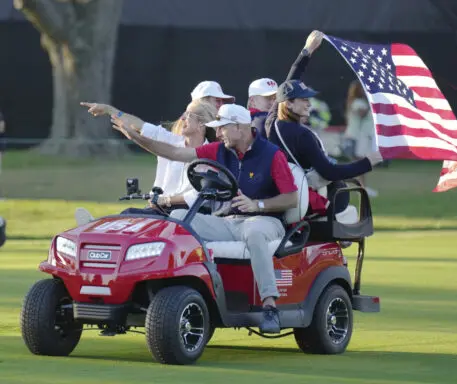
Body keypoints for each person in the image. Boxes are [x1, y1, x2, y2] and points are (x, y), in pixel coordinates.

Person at [114, 103, 298, 334]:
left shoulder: (272, 155)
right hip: (227, 221)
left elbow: (291, 198)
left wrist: (257, 204)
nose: (217, 133)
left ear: (240, 128)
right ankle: (171, 289)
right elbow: (174, 152)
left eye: (222, 128)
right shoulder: (219, 150)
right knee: (179, 218)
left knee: (255, 233)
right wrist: (136, 138)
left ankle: (270, 306)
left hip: (265, 220)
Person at [265, 30, 383, 218]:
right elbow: (329, 172)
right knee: (351, 213)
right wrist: (367, 163)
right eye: (303, 99)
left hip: (286, 196)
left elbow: (289, 82)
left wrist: (307, 51)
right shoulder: (301, 134)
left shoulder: (271, 123)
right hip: (308, 202)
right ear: (289, 104)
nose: (309, 103)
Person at [77, 99, 217, 223]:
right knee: (130, 215)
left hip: (189, 214)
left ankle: (96, 227)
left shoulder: (210, 153)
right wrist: (109, 110)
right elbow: (140, 125)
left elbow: (200, 194)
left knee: (130, 216)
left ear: (202, 124)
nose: (182, 119)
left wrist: (166, 200)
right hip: (161, 209)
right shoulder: (171, 141)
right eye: (184, 114)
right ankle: (97, 227)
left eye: (188, 115)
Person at [342, 79, 378, 197]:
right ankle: (361, 187)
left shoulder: (356, 102)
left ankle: (361, 187)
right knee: (360, 163)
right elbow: (361, 114)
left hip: (358, 136)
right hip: (357, 137)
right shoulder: (357, 102)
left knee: (359, 163)